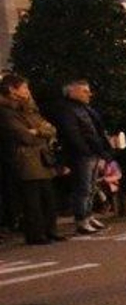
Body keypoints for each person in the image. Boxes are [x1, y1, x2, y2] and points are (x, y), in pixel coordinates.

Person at [0, 74, 62, 244]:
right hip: (24, 158)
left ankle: (50, 230)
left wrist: (38, 131)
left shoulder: (29, 108)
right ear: (12, 89)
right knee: (32, 200)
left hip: (41, 157)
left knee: (48, 197)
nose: (28, 92)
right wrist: (39, 132)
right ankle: (36, 234)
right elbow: (23, 136)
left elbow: (51, 129)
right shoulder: (6, 111)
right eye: (24, 88)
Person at [54, 79, 115, 234]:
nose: (89, 94)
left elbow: (96, 131)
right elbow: (72, 134)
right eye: (84, 91)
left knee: (91, 187)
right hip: (81, 155)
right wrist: (86, 150)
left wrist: (102, 151)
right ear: (72, 92)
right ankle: (81, 219)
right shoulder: (67, 109)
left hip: (93, 152)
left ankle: (88, 215)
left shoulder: (85, 108)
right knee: (83, 188)